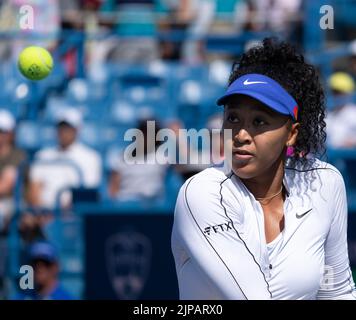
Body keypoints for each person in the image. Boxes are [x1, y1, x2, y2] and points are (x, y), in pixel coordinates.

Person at [171, 38, 356, 300]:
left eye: (259, 121)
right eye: (233, 118)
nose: (241, 134)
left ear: (291, 134)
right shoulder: (201, 192)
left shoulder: (325, 183)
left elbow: (337, 292)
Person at [27, 107, 102, 210]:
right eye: (61, 127)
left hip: (71, 215)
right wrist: (42, 213)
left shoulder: (91, 157)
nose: (63, 132)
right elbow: (34, 190)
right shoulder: (43, 156)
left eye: (68, 128)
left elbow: (84, 195)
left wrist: (59, 215)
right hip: (42, 214)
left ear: (77, 130)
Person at [325, 72, 356, 148]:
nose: (335, 95)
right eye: (333, 92)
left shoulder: (353, 113)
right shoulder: (326, 113)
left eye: (339, 92)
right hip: (328, 157)